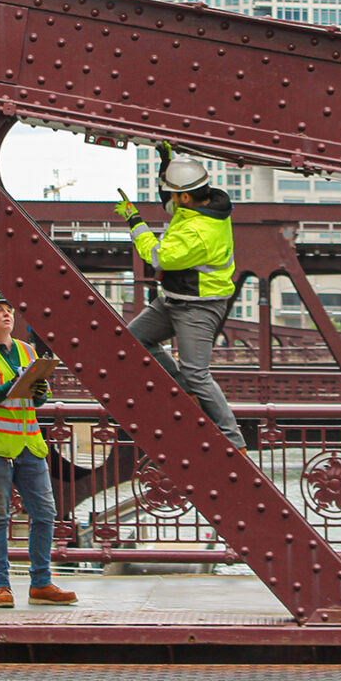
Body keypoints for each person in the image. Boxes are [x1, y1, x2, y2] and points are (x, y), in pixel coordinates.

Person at [114, 144, 247, 451]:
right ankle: (183, 390)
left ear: (186, 196)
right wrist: (167, 162)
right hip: (174, 298)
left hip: (199, 307)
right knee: (135, 339)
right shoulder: (203, 205)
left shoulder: (199, 232)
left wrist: (135, 221)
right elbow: (170, 204)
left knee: (196, 373)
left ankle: (233, 439)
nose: (170, 201)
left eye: (174, 194)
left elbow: (157, 257)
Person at [0, 289, 78, 609]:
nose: (6, 315)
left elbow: (38, 399)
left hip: (28, 443)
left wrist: (39, 390)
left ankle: (40, 582)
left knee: (45, 513)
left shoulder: (27, 351)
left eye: (9, 310)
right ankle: (1, 585)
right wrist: (13, 386)